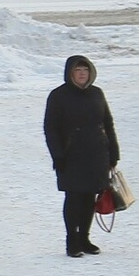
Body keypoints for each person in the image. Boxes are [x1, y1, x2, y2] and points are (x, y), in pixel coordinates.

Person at [44, 54, 119, 257]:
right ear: (70, 73)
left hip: (96, 154)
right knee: (74, 197)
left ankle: (84, 239)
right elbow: (50, 128)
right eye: (78, 70)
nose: (82, 74)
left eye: (85, 70)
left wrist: (113, 153)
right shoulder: (58, 96)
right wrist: (58, 155)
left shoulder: (97, 93)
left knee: (89, 197)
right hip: (71, 155)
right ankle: (72, 241)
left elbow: (108, 123)